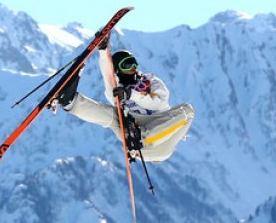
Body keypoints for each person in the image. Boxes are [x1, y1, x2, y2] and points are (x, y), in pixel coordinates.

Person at [56, 37, 194, 163]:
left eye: (134, 64)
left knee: (187, 110)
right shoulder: (118, 90)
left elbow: (159, 103)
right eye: (127, 65)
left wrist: (132, 95)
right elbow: (108, 75)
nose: (133, 69)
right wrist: (104, 51)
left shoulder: (151, 81)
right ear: (118, 70)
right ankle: (70, 102)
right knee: (113, 115)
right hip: (134, 137)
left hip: (160, 141)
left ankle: (142, 138)